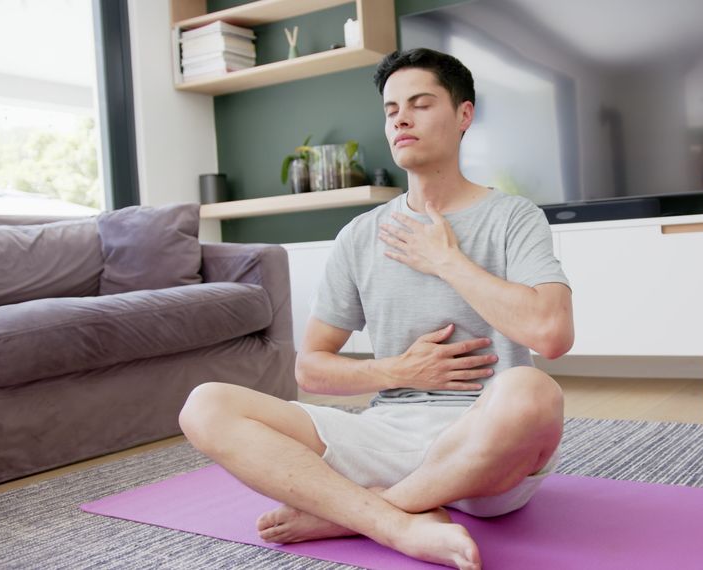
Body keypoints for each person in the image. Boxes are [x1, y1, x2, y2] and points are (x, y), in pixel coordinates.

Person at [178, 48, 574, 570]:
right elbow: (311, 368)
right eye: (391, 110)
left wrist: (446, 261)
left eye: (420, 103)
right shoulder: (360, 235)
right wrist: (398, 370)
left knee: (534, 392)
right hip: (384, 432)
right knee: (205, 405)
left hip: (483, 445)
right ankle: (395, 522)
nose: (401, 118)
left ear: (463, 116)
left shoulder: (513, 217)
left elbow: (552, 334)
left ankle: (354, 512)